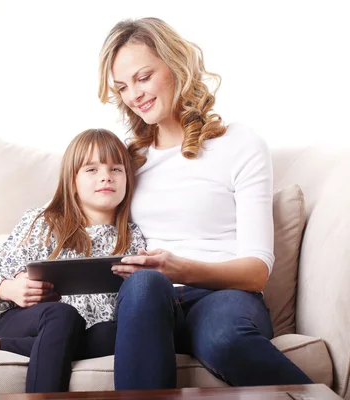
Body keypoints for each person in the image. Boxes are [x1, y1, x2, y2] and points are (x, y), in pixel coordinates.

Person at [97, 17, 313, 390]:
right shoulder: (128, 162)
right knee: (146, 285)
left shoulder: (240, 145)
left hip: (224, 297)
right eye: (123, 87)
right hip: (150, 302)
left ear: (176, 66)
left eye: (143, 77)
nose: (134, 95)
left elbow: (257, 270)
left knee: (224, 338)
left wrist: (182, 269)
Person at [0, 128, 145, 393]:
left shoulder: (132, 237)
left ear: (128, 179)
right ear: (72, 181)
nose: (106, 177)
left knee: (117, 334)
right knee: (63, 316)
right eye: (92, 170)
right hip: (27, 320)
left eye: (116, 169)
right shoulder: (44, 222)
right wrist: (12, 289)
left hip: (88, 331)